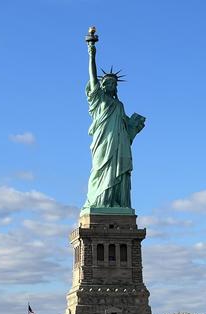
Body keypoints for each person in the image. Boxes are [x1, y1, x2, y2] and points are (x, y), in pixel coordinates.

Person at [83, 34, 146, 212]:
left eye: (113, 82)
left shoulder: (119, 105)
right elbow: (93, 77)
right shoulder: (99, 100)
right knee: (100, 169)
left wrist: (135, 125)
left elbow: (127, 128)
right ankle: (100, 201)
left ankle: (116, 202)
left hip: (119, 144)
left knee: (118, 170)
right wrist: (92, 54)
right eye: (107, 82)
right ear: (102, 86)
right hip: (103, 141)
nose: (110, 84)